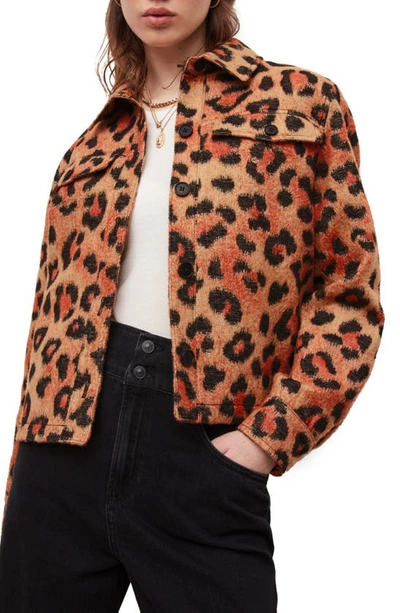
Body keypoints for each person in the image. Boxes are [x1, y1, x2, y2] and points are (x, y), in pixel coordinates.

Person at [0, 0, 384, 611]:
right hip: (60, 461)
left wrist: (267, 437)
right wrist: (22, 482)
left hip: (202, 457)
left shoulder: (301, 103)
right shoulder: (90, 147)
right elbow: (46, 336)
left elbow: (348, 295)